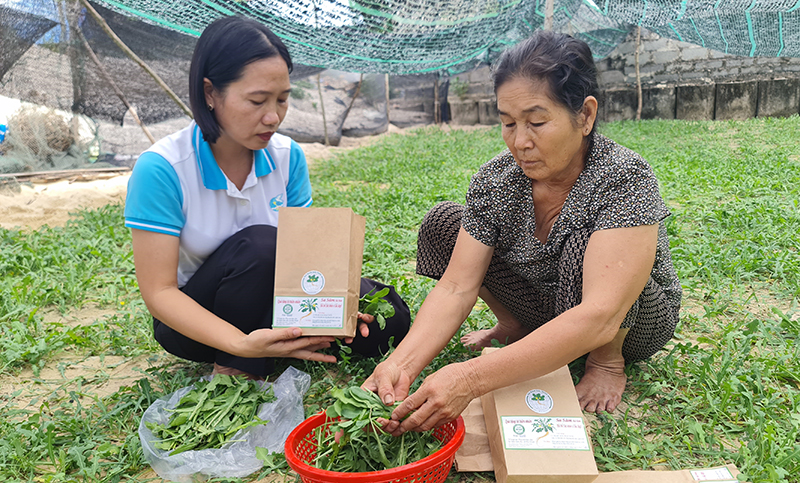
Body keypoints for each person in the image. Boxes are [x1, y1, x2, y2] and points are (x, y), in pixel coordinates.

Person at [364, 30, 681, 432]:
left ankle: (606, 360)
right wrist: (400, 365)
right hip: (548, 304)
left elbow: (602, 313)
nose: (520, 142)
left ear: (584, 115)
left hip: (633, 322)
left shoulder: (624, 176)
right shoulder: (498, 180)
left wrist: (470, 378)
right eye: (509, 123)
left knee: (582, 242)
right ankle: (516, 328)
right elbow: (457, 286)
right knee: (446, 222)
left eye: (536, 122)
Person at [124, 16, 410, 381]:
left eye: (282, 100)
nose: (273, 116)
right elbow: (160, 292)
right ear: (210, 93)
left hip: (280, 300)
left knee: (388, 319)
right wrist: (239, 344)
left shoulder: (287, 157)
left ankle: (284, 340)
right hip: (198, 321)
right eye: (257, 100)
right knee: (262, 244)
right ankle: (237, 363)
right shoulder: (163, 168)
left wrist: (336, 305)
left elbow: (304, 256)